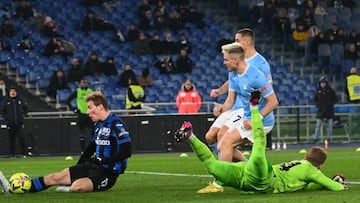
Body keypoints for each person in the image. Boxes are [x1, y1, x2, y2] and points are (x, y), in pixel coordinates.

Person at [173, 97, 347, 194]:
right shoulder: (312, 171)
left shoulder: (301, 164)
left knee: (211, 164)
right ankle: (254, 108)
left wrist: (331, 180)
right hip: (263, 180)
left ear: (305, 156)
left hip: (245, 175)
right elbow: (330, 186)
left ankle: (191, 136)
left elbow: (311, 185)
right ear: (320, 165)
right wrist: (338, 184)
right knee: (258, 148)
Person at [199, 42, 277, 193]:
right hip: (246, 116)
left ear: (235, 60)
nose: (224, 62)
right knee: (222, 143)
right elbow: (230, 100)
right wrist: (222, 108)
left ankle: (218, 184)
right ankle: (251, 170)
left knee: (226, 144)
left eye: (226, 59)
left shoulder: (256, 76)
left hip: (262, 121)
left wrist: (257, 119)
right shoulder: (233, 74)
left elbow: (273, 102)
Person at [24, 92, 131, 193]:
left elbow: (126, 151)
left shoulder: (116, 124)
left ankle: (70, 186)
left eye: (90, 107)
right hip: (92, 166)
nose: (88, 112)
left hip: (108, 173)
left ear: (100, 107)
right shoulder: (98, 125)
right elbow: (90, 148)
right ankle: (26, 187)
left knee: (77, 187)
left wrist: (102, 160)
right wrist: (78, 167)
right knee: (54, 177)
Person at [66, 79, 94, 153]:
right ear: (80, 84)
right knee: (82, 133)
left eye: (85, 83)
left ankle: (93, 149)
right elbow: (68, 100)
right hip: (81, 115)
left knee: (93, 132)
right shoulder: (78, 91)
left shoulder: (90, 91)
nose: (84, 84)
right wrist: (74, 109)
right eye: (83, 83)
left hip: (90, 114)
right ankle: (83, 150)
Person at [1, 87, 29, 158]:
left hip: (19, 123)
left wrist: (24, 114)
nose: (12, 93)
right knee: (11, 139)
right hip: (11, 123)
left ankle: (24, 153)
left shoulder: (20, 100)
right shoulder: (7, 101)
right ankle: (12, 154)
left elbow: (25, 108)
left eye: (14, 91)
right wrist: (7, 118)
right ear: (9, 93)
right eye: (11, 91)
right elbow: (2, 111)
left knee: (21, 138)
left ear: (16, 92)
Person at [313, 76, 337, 143]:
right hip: (320, 110)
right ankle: (315, 138)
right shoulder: (318, 90)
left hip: (329, 110)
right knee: (318, 125)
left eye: (324, 83)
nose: (322, 84)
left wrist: (331, 105)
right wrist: (318, 105)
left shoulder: (330, 90)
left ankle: (328, 138)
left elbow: (335, 99)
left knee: (329, 126)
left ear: (326, 83)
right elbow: (314, 99)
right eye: (321, 83)